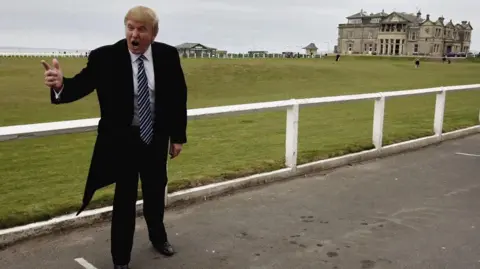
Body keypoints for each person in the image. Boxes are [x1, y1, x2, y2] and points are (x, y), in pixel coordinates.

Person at [41, 6, 188, 269]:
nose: (134, 34)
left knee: (155, 193)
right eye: (130, 27)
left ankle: (158, 237)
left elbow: (178, 97)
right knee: (124, 201)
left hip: (154, 138)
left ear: (153, 33)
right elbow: (79, 86)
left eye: (141, 29)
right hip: (123, 142)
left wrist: (177, 137)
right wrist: (61, 85)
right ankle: (121, 260)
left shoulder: (167, 56)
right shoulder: (105, 57)